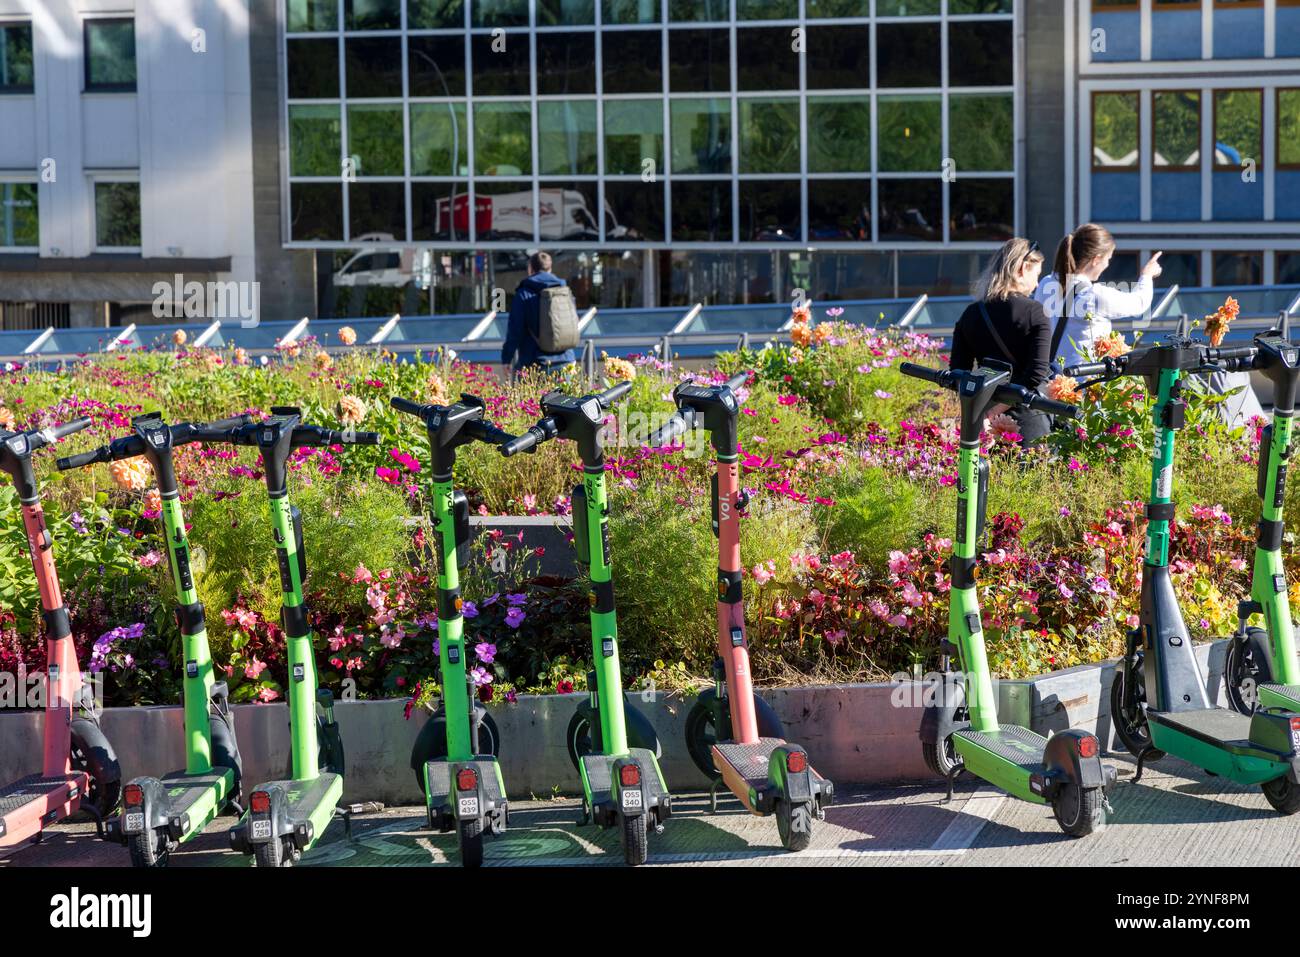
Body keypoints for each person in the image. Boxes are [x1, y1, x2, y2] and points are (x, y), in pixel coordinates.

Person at [949, 237, 1054, 445]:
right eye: (1037, 274)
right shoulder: (1035, 313)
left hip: (982, 421)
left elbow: (957, 372)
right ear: (1023, 268)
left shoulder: (971, 313)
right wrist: (998, 411)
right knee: (1033, 474)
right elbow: (1035, 376)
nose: (1037, 283)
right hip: (1027, 420)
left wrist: (987, 411)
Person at [1033, 223, 1162, 370]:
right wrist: (1147, 276)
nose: (1107, 265)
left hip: (1048, 381)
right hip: (1083, 383)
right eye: (1108, 259)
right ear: (1096, 259)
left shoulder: (1046, 283)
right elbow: (1139, 303)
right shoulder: (1093, 296)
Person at [501, 251, 576, 373]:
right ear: (550, 268)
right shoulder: (565, 291)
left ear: (530, 268)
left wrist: (506, 359)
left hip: (534, 363)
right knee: (565, 393)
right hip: (566, 361)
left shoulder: (524, 294)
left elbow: (515, 330)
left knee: (536, 393)